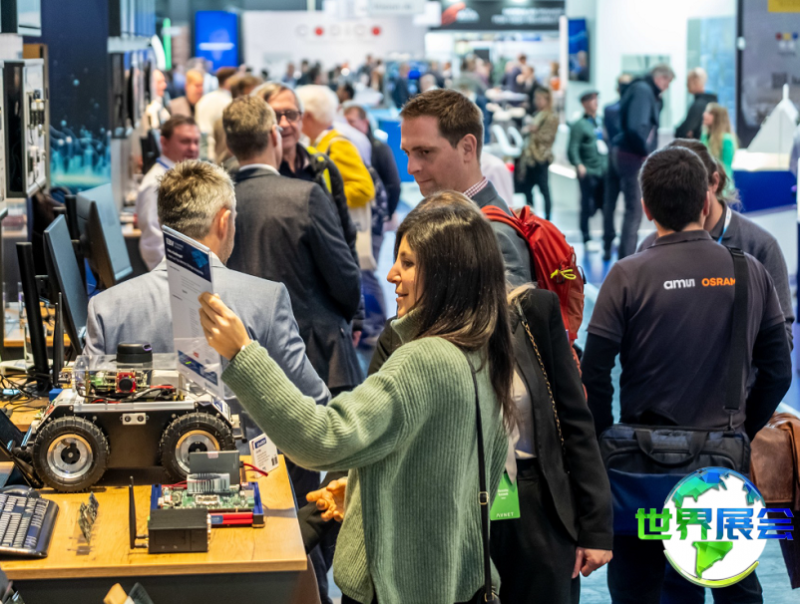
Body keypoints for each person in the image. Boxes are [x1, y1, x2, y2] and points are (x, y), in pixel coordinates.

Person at [198, 194, 514, 604]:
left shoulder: (424, 359)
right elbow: (448, 478)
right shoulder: (481, 352)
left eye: (408, 263)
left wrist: (243, 353)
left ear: (447, 275)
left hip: (397, 591)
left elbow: (321, 438)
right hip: (454, 584)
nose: (391, 274)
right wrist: (369, 490)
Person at [581, 146, 792, 604]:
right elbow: (778, 371)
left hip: (637, 469)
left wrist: (604, 439)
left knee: (639, 588)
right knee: (734, 587)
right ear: (705, 200)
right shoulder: (749, 271)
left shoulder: (626, 275)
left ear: (645, 207)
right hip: (719, 468)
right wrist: (740, 429)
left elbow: (594, 373)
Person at [86, 158, 328, 405]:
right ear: (224, 221)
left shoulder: (106, 308)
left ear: (161, 223)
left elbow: (88, 403)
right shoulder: (267, 301)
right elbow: (315, 402)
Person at [223, 94, 362, 398]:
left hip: (242, 358)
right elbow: (345, 277)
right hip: (319, 359)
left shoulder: (220, 201)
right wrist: (350, 315)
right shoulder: (306, 196)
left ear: (230, 146)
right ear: (274, 135)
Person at [639, 138, 794, 346]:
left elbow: (782, 338)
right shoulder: (649, 247)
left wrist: (734, 356)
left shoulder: (760, 246)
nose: (684, 200)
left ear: (714, 182)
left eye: (694, 189)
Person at [613, 63, 674, 259]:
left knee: (633, 210)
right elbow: (636, 127)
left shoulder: (642, 90)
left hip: (627, 154)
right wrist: (645, 151)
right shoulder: (643, 91)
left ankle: (626, 257)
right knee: (634, 211)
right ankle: (627, 259)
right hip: (632, 156)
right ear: (660, 78)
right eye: (667, 82)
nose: (667, 87)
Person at [296, 85, 375, 211]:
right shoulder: (317, 140)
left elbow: (364, 189)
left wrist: (323, 199)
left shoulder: (337, 144)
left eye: (297, 114)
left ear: (308, 116)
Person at [135, 115, 200, 270]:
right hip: (173, 276)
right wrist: (171, 278)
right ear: (164, 143)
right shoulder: (155, 183)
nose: (193, 148)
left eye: (196, 142)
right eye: (185, 141)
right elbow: (153, 244)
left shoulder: (184, 175)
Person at [568, 90, 607, 251]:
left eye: (597, 99)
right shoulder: (579, 125)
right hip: (589, 170)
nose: (595, 102)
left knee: (604, 205)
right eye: (592, 100)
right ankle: (586, 237)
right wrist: (578, 164)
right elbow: (573, 147)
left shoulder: (601, 121)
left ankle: (607, 237)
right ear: (584, 103)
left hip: (603, 169)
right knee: (586, 205)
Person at [602, 74, 633, 260]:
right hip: (626, 160)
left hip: (612, 157)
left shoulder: (609, 109)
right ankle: (624, 250)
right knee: (630, 208)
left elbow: (607, 136)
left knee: (610, 205)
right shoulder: (629, 111)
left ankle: (607, 246)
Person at [518, 87, 559, 220]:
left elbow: (548, 137)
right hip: (530, 158)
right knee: (527, 190)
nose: (537, 101)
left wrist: (533, 131)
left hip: (541, 158)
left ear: (547, 100)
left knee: (544, 190)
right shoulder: (538, 114)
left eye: (540, 99)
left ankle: (548, 219)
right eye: (536, 98)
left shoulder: (551, 117)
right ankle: (531, 218)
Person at [213, 74, 263, 169]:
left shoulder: (264, 122)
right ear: (239, 95)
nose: (255, 102)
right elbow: (222, 155)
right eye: (250, 96)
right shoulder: (224, 122)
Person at [194, 66, 237, 162]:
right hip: (218, 153)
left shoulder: (204, 99)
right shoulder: (228, 102)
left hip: (201, 150)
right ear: (228, 81)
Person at [675, 67, 718, 140]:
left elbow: (683, 131)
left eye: (688, 82)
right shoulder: (711, 102)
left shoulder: (699, 105)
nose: (687, 85)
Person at [702, 102, 737, 184]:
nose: (704, 115)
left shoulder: (726, 139)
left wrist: (722, 186)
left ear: (717, 118)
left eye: (709, 113)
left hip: (721, 185)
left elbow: (727, 167)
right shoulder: (704, 136)